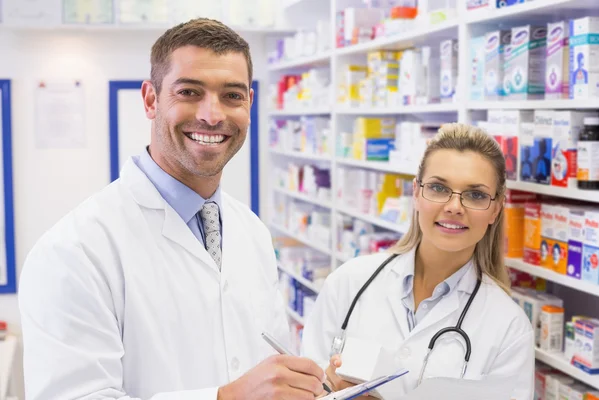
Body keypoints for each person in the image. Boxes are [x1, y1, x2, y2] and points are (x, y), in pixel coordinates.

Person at [19, 18, 325, 400]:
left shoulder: (251, 231)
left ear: (250, 102)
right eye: (190, 92)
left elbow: (265, 367)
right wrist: (225, 397)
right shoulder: (73, 251)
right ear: (150, 99)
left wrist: (314, 388)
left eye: (232, 95)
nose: (213, 115)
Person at [301, 123, 535, 399]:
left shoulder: (510, 328)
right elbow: (307, 384)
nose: (454, 207)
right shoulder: (349, 282)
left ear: (495, 209)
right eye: (438, 188)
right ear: (416, 193)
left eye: (475, 195)